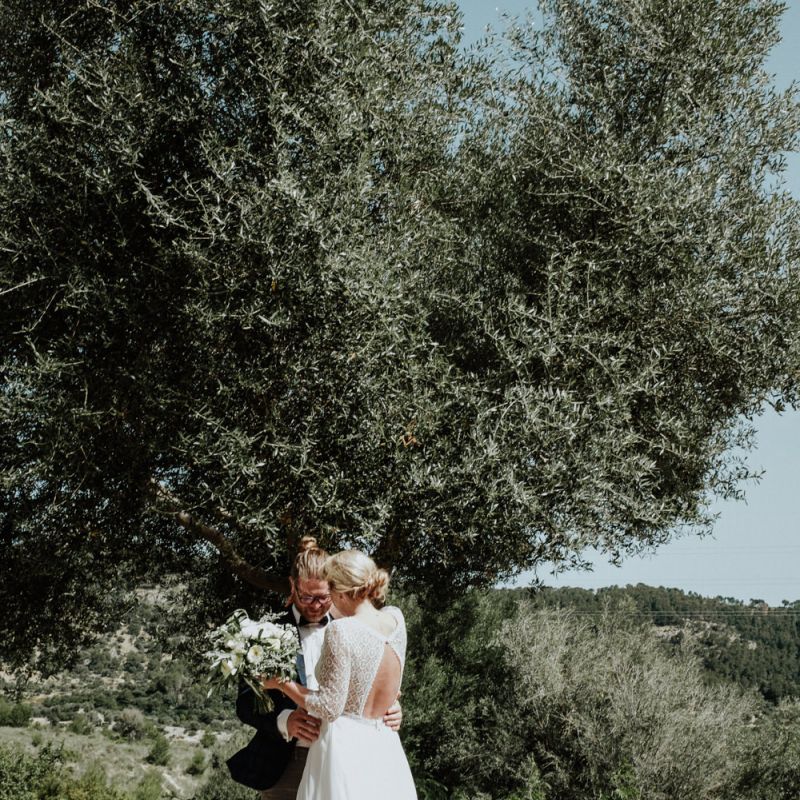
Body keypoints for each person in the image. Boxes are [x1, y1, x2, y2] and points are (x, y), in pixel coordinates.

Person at [227, 537, 402, 799]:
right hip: (286, 763)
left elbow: (376, 674)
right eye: (306, 596)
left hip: (346, 760)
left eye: (323, 597)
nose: (316, 605)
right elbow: (244, 702)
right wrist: (284, 721)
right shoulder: (265, 632)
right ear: (292, 586)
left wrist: (390, 707)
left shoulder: (354, 627)